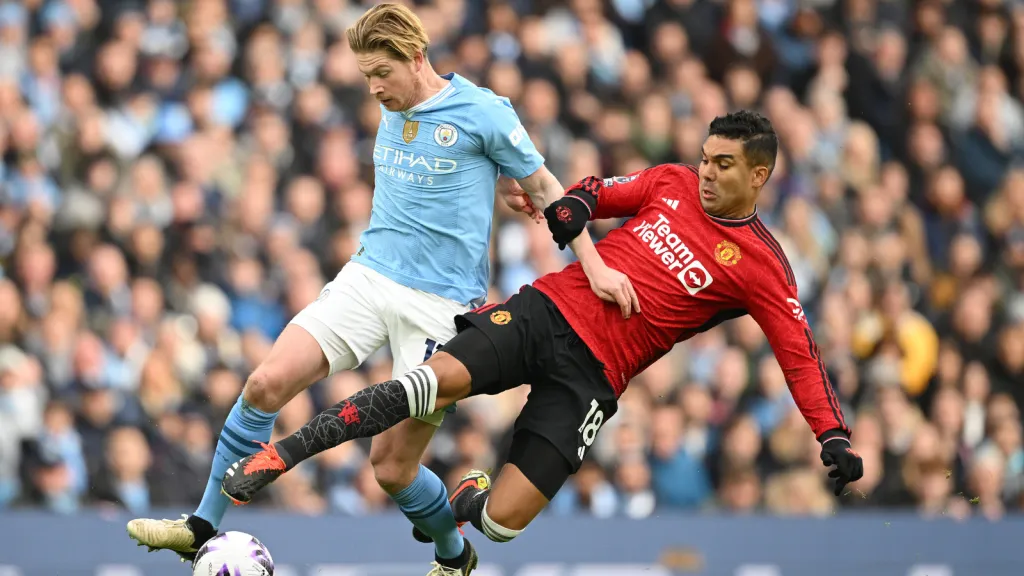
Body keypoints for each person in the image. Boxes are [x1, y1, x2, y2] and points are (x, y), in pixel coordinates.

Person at [126, 4, 637, 575]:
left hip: (441, 308)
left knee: (391, 468)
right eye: (366, 75)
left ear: (416, 58)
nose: (373, 88)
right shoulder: (390, 105)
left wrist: (593, 265)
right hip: (368, 277)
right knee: (266, 382)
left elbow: (544, 185)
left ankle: (452, 554)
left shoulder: (484, 111)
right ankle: (200, 527)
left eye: (381, 74)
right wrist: (494, 190)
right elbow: (451, 179)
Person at [218, 110, 863, 547]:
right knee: (427, 382)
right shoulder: (668, 182)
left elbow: (799, 357)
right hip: (545, 312)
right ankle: (283, 455)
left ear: (759, 175)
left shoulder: (763, 267)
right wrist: (576, 203)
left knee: (504, 524)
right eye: (704, 159)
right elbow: (592, 193)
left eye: (724, 165)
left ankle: (469, 500)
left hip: (595, 378)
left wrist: (831, 435)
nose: (706, 173)